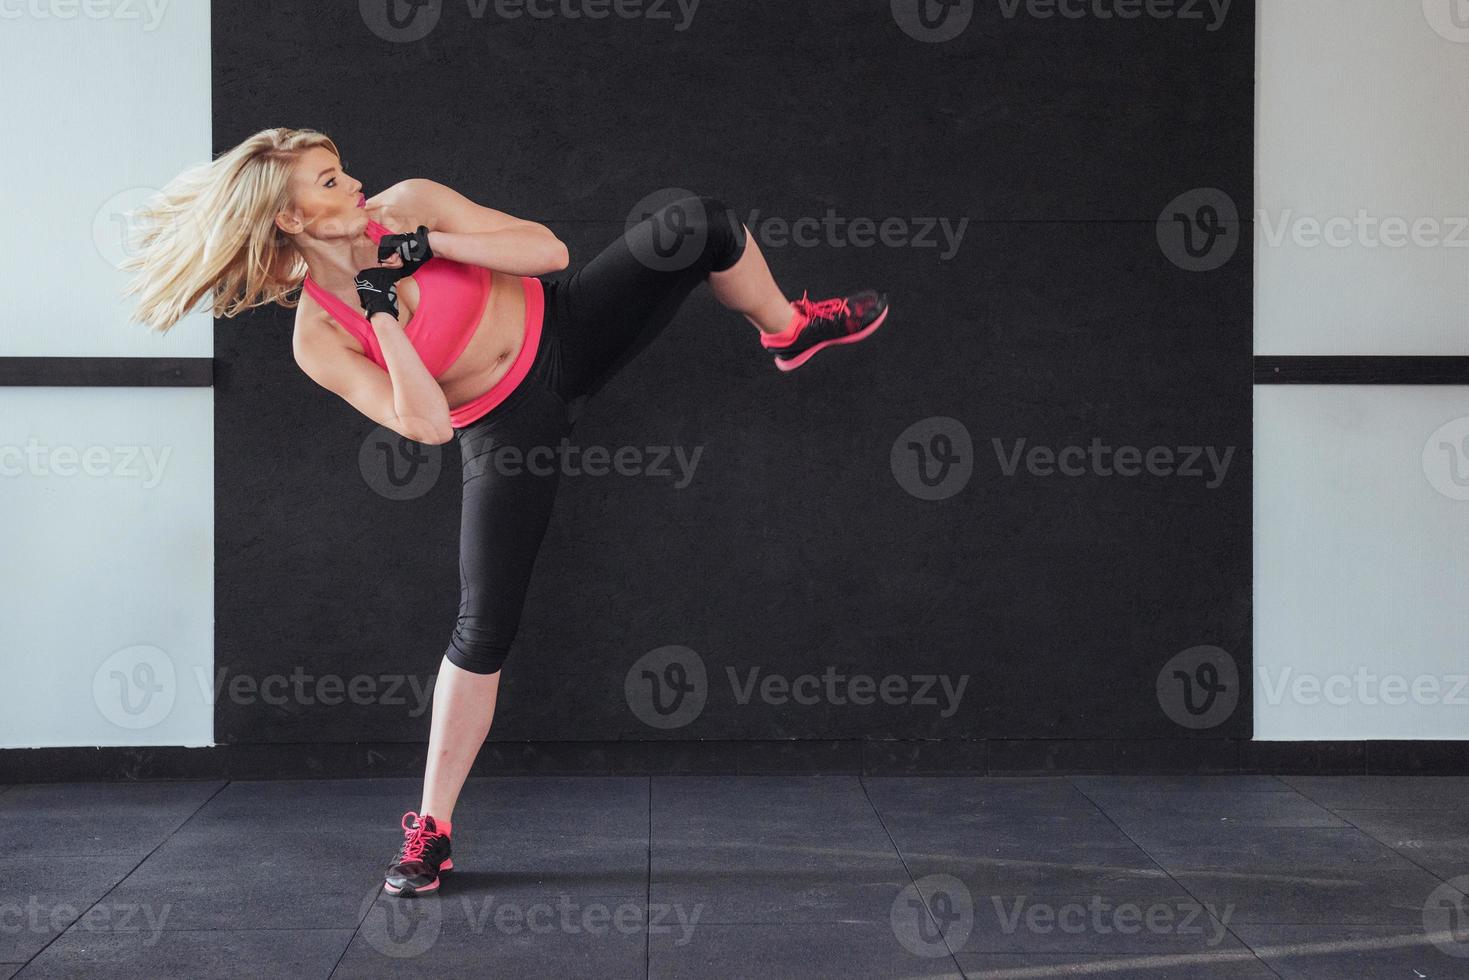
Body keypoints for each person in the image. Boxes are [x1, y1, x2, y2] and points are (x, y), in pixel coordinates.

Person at [123, 127, 890, 896]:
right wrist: (382, 312)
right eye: (327, 182)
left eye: (341, 169)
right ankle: (431, 832)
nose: (352, 183)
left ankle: (787, 331)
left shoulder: (407, 204)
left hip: (566, 328)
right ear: (290, 219)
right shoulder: (321, 337)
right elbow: (424, 425)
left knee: (702, 222)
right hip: (505, 427)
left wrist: (430, 244)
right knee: (482, 626)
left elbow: (548, 252)